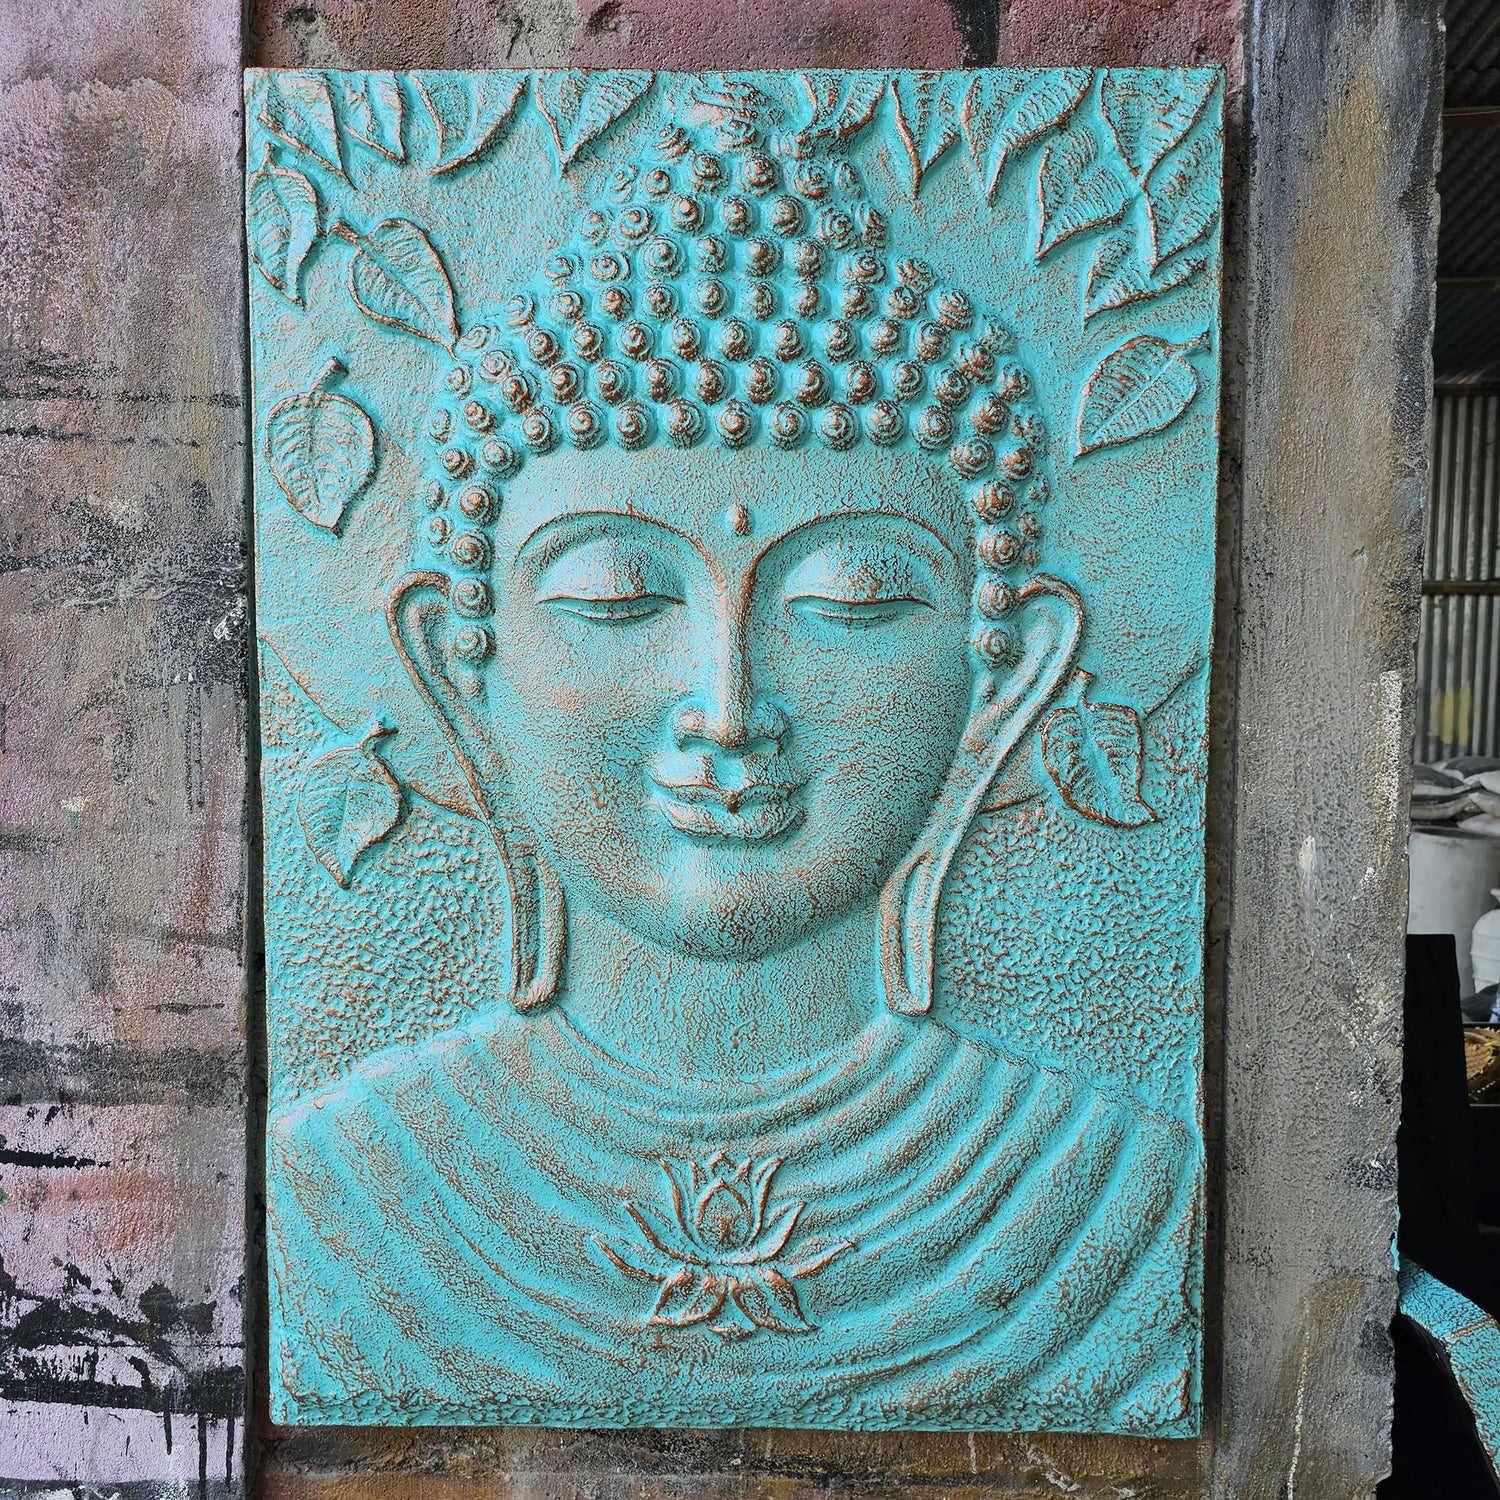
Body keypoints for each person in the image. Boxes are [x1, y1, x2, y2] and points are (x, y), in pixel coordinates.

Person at [268, 126, 1200, 1433]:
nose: (727, 708)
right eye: (615, 595)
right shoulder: (342, 1193)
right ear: (458, 666)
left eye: (852, 599)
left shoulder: (1113, 1196)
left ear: (1005, 676)